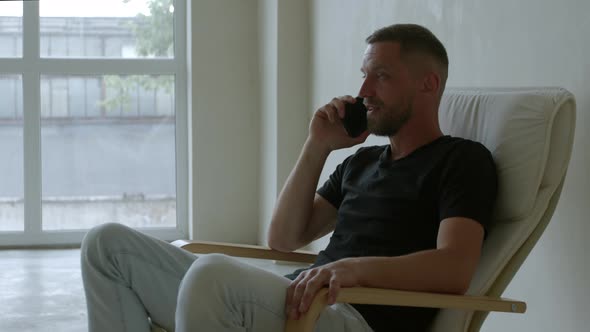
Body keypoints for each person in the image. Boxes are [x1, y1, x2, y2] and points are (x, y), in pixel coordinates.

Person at [81, 23, 497, 332]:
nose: (364, 88)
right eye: (364, 74)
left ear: (429, 83)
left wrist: (352, 270)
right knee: (106, 244)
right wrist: (317, 145)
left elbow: (454, 267)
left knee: (211, 276)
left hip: (355, 314)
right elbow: (283, 238)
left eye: (382, 76)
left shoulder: (461, 160)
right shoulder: (363, 162)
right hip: (298, 299)